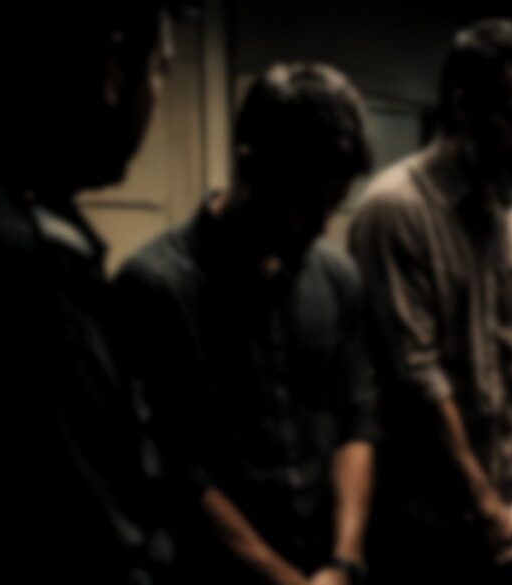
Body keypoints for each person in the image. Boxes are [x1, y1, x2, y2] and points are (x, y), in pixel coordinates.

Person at [0, 2, 176, 583]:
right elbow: (95, 548)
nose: (156, 96)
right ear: (113, 67)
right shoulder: (22, 271)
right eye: (160, 68)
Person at [113, 63, 377, 585]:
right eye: (303, 206)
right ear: (248, 164)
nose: (320, 227)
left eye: (331, 207)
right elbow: (177, 471)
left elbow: (357, 418)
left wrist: (344, 561)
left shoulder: (337, 278)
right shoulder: (156, 287)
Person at [348, 18, 512, 585]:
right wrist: (488, 508)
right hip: (427, 525)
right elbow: (417, 377)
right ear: (464, 107)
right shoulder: (396, 210)